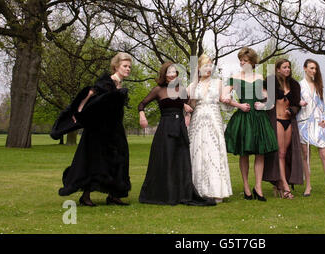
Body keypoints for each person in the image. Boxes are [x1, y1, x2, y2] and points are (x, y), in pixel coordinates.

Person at [55, 52, 132, 206]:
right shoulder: (106, 83)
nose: (128, 69)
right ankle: (85, 196)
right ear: (116, 66)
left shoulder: (119, 85)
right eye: (125, 66)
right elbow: (89, 95)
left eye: (129, 66)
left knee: (119, 160)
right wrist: (79, 113)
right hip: (98, 130)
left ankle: (114, 195)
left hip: (115, 130)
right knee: (94, 161)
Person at [137, 62, 216, 206]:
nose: (172, 74)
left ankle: (182, 193)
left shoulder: (182, 89)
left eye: (174, 72)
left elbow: (190, 106)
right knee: (165, 159)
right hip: (165, 127)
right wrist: (142, 115)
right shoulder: (158, 90)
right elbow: (141, 104)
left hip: (180, 128)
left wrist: (187, 108)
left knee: (181, 161)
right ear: (164, 75)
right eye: (169, 72)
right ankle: (166, 194)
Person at [224, 47, 278, 201]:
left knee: (260, 153)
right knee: (244, 153)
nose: (242, 62)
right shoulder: (234, 77)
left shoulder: (260, 77)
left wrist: (263, 105)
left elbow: (270, 100)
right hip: (244, 117)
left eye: (245, 60)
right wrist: (238, 105)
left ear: (252, 62)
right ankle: (246, 186)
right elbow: (223, 97)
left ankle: (258, 187)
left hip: (259, 118)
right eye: (240, 60)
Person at [187, 54, 233, 203]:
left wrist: (229, 100)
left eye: (210, 65)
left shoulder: (218, 83)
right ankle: (199, 191)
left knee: (214, 151)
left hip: (214, 118)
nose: (208, 68)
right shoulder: (193, 85)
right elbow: (189, 105)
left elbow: (225, 103)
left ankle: (217, 190)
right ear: (199, 67)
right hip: (198, 119)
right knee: (198, 151)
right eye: (205, 65)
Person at [263, 59, 304, 199]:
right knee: (279, 153)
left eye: (289, 67)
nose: (287, 69)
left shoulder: (294, 84)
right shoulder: (271, 82)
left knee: (286, 153)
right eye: (284, 67)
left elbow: (297, 104)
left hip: (289, 121)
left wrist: (292, 110)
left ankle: (279, 184)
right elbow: (262, 96)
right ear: (278, 69)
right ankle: (285, 187)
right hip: (277, 120)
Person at [298, 59, 325, 199]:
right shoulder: (299, 85)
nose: (313, 71)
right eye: (311, 68)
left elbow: (323, 104)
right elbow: (294, 101)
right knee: (306, 155)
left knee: (324, 154)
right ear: (305, 68)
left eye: (315, 69)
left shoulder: (319, 85)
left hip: (319, 124)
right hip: (303, 123)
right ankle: (308, 185)